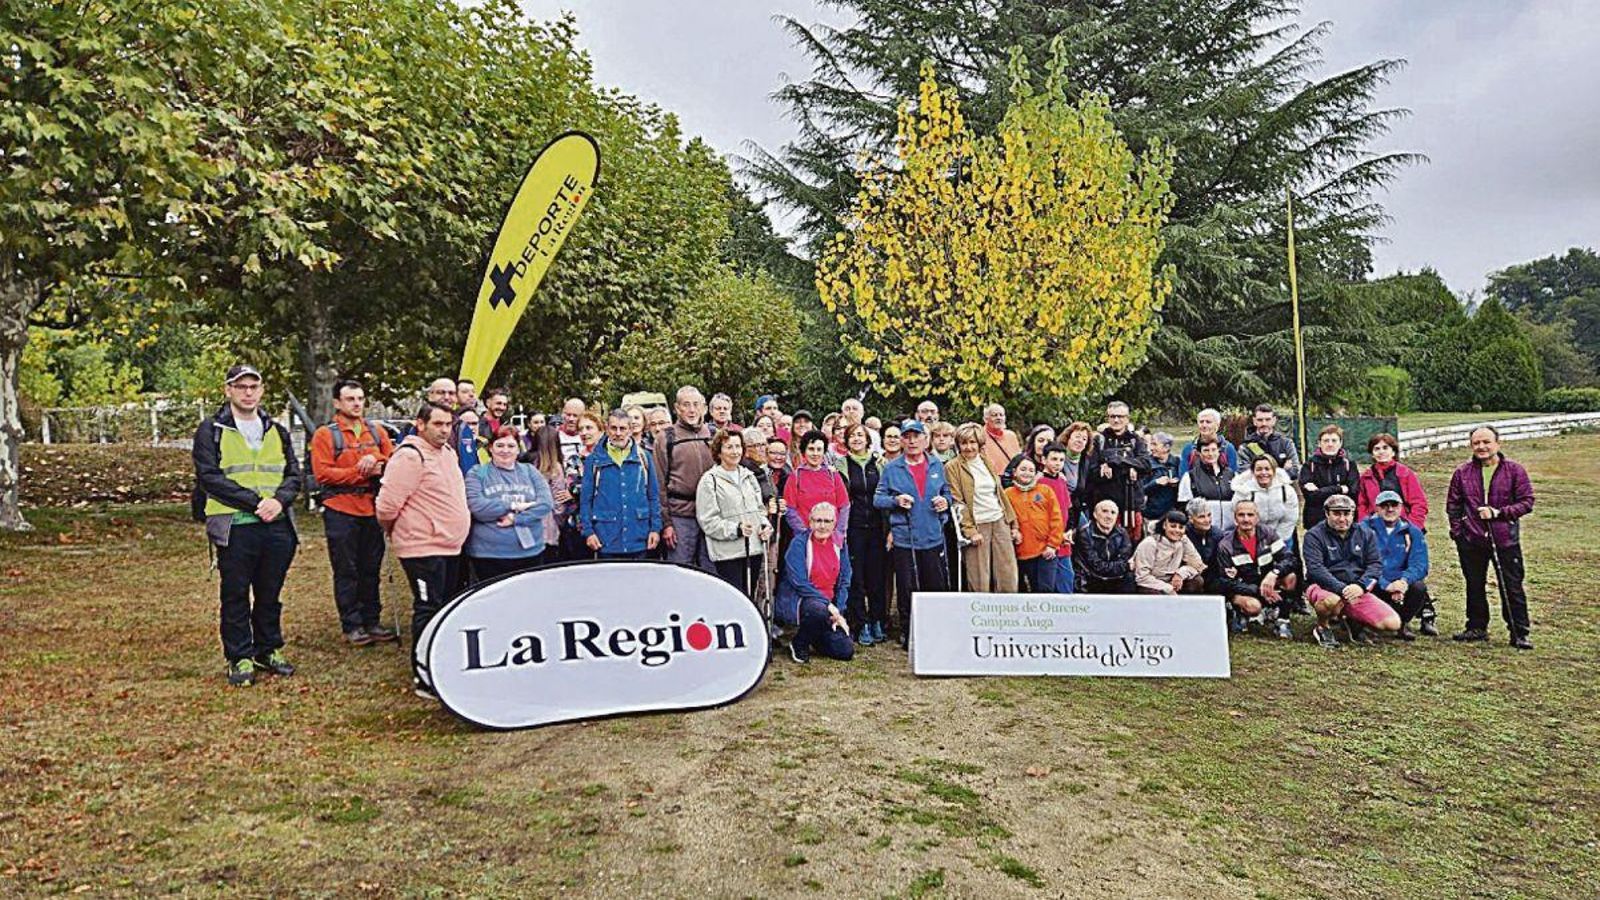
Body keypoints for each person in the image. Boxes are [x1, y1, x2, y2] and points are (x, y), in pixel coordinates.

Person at [193, 364, 303, 687]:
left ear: (261, 390)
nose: (248, 392)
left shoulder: (276, 430)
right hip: (234, 525)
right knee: (236, 592)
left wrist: (279, 501)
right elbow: (209, 477)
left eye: (253, 386)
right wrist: (255, 502)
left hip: (276, 524)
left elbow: (294, 475)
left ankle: (268, 648)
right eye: (240, 386)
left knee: (270, 592)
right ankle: (239, 655)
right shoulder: (211, 429)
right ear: (228, 390)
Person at [376, 401, 471, 693]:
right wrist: (404, 530)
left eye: (448, 425)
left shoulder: (448, 453)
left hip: (451, 545)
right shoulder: (410, 456)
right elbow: (387, 505)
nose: (444, 430)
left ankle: (442, 663)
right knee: (427, 608)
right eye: (438, 424)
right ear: (421, 423)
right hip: (422, 547)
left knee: (446, 607)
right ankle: (423, 673)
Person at [309, 378, 396, 646]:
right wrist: (360, 471)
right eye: (350, 399)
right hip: (341, 509)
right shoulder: (326, 434)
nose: (357, 404)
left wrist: (378, 460)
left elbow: (393, 461)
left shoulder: (376, 430)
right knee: (347, 569)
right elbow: (323, 473)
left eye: (360, 399)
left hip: (371, 509)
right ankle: (352, 624)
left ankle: (372, 620)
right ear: (337, 402)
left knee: (371, 567)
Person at [1446, 426, 1536, 649]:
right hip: (1472, 539)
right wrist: (1459, 532)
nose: (1481, 447)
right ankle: (1476, 626)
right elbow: (1453, 505)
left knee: (1511, 585)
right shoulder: (1462, 473)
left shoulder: (1514, 471)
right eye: (1476, 443)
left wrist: (1499, 513)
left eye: (1486, 442)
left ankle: (1519, 631)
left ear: (1497, 443)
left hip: (1504, 540)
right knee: (1474, 584)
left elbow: (1527, 502)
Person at [874, 419, 953, 646]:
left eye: (916, 436)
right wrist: (896, 500)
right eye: (907, 437)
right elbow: (878, 500)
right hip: (905, 538)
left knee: (936, 586)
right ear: (901, 440)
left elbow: (947, 493)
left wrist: (944, 502)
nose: (911, 441)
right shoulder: (891, 468)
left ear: (925, 440)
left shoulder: (937, 465)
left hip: (933, 535)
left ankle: (937, 632)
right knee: (907, 588)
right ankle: (909, 633)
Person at [1302, 493, 1393, 648]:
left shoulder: (1366, 534)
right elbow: (1315, 568)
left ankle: (1352, 621)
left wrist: (1361, 586)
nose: (1342, 519)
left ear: (1353, 514)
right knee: (1331, 602)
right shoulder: (1314, 535)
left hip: (1355, 587)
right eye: (1336, 513)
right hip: (1324, 587)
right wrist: (1341, 588)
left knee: (1391, 624)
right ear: (1326, 513)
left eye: (1347, 513)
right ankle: (1322, 627)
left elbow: (1375, 564)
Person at [465, 427, 554, 581]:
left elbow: (545, 504)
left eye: (511, 446)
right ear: (491, 448)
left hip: (530, 552)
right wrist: (513, 505)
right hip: (489, 555)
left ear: (518, 449)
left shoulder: (530, 471)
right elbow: (477, 507)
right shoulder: (478, 472)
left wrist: (515, 519)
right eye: (500, 445)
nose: (505, 450)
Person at [775, 503, 855, 664]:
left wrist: (837, 610)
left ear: (834, 524)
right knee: (818, 610)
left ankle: (815, 634)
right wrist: (828, 606)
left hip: (829, 607)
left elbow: (845, 580)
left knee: (845, 650)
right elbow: (799, 583)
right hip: (804, 601)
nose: (822, 526)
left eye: (827, 521)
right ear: (810, 522)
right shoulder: (798, 544)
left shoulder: (840, 545)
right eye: (818, 520)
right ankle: (799, 644)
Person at [580, 409, 663, 560]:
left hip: (639, 538)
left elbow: (653, 496)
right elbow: (586, 500)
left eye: (623, 428)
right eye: (613, 428)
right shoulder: (594, 461)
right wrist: (589, 532)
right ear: (606, 428)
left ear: (630, 430)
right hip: (606, 539)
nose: (618, 433)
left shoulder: (644, 457)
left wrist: (655, 529)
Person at [947, 423, 1020, 592]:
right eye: (964, 443)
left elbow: (999, 493)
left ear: (979, 443)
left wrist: (1013, 523)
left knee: (1007, 572)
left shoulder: (986, 460)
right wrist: (970, 531)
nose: (969, 447)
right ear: (958, 445)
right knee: (979, 577)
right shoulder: (952, 467)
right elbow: (957, 501)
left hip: (999, 519)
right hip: (977, 523)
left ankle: (1007, 613)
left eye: (972, 442)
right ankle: (980, 614)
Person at [697, 429, 770, 596]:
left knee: (749, 597)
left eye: (738, 446)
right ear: (719, 451)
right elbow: (707, 521)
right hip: (728, 553)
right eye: (729, 447)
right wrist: (735, 529)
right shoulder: (710, 480)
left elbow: (759, 511)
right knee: (733, 597)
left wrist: (765, 526)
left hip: (753, 548)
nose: (735, 451)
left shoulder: (749, 476)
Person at [654, 387, 717, 571]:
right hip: (680, 515)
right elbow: (659, 483)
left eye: (696, 404)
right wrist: (666, 523)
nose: (691, 410)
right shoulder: (666, 437)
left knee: (710, 570)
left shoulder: (713, 435)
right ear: (677, 408)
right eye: (686, 405)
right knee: (680, 570)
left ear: (704, 408)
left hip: (710, 514)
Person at [1215, 500, 1298, 638]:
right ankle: (1238, 612)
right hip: (1243, 588)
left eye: (1250, 515)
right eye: (1241, 515)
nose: (1246, 519)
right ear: (1235, 518)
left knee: (1290, 577)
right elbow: (1226, 583)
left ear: (1257, 517)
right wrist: (1259, 590)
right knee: (1253, 607)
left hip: (1266, 582)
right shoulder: (1226, 545)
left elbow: (1290, 559)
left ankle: (1283, 619)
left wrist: (1274, 573)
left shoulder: (1268, 534)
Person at [837, 422, 887, 643]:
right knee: (856, 576)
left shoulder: (880, 463)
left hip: (877, 526)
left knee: (877, 576)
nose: (856, 439)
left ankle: (878, 619)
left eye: (860, 435)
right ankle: (861, 622)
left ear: (867, 439)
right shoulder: (841, 465)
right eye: (852, 436)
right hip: (854, 527)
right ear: (846, 441)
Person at [1366, 490, 1434, 640]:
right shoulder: (1364, 529)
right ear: (1376, 508)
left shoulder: (1412, 532)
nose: (1390, 509)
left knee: (1418, 587)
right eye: (1384, 505)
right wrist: (1385, 584)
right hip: (1374, 582)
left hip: (1399, 585)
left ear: (1401, 507)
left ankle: (1402, 624)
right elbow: (1361, 564)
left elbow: (1420, 564)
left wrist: (1403, 581)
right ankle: (1366, 624)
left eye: (1394, 505)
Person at [1082, 401, 1152, 534]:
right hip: (1105, 505)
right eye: (1112, 416)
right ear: (1108, 418)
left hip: (1131, 504)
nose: (1116, 420)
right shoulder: (1099, 441)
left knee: (1132, 545)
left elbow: (1146, 465)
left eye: (1120, 416)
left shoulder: (1135, 440)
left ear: (1127, 419)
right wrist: (1129, 465)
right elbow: (1091, 472)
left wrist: (1114, 462)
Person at [1006, 459, 1065, 593]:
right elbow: (1005, 519)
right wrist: (1013, 531)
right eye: (1023, 469)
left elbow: (1056, 519)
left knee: (1045, 591)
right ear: (1014, 472)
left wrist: (1052, 545)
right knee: (1023, 591)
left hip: (1045, 552)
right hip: (1020, 553)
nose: (1027, 473)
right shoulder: (1008, 494)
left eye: (1031, 470)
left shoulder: (1045, 491)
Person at [784, 430, 850, 548]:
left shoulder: (833, 475)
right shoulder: (795, 477)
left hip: (831, 539)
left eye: (819, 449)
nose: (815, 453)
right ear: (804, 451)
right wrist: (804, 533)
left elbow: (844, 506)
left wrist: (839, 533)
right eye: (811, 449)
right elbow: (790, 510)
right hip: (805, 540)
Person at [1357, 433, 1429, 529]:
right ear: (1372, 454)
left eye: (1385, 448)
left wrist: (1412, 528)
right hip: (1375, 528)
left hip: (1403, 526)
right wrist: (1365, 527)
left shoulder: (1405, 474)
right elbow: (1362, 505)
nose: (1381, 452)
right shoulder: (1366, 477)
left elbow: (1419, 503)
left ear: (1393, 452)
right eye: (1377, 449)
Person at [522, 425, 569, 565]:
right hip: (548, 528)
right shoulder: (555, 468)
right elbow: (558, 502)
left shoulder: (525, 464)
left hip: (527, 526)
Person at [1231, 455, 1299, 548]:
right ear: (1252, 472)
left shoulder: (1287, 491)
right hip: (1252, 537)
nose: (1263, 473)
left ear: (1274, 471)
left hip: (1282, 536)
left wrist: (1276, 541)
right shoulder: (1243, 491)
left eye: (1267, 469)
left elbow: (1290, 519)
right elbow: (1237, 517)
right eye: (1259, 469)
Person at [1299, 424, 1359, 528]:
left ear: (1340, 443)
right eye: (1326, 441)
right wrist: (1340, 488)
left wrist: (1321, 491)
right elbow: (1311, 496)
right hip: (1315, 523)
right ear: (1319, 443)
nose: (1330, 444)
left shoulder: (1349, 465)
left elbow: (1353, 492)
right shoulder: (1309, 466)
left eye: (1334, 440)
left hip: (1344, 522)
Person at [1133, 510, 1206, 594]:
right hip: (1151, 583)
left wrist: (1180, 574)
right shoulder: (1150, 543)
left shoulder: (1184, 540)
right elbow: (1142, 577)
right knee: (1156, 594)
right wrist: (1168, 588)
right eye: (1173, 526)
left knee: (1197, 581)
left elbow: (1198, 566)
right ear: (1164, 525)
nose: (1177, 530)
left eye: (1181, 527)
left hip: (1173, 581)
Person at [1073, 498, 1135, 593]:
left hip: (1116, 578)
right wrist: (1125, 566)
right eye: (1104, 511)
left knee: (1130, 578)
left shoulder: (1123, 533)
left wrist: (1124, 566)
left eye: (1113, 513)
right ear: (1095, 515)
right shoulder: (1084, 533)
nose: (1109, 516)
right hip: (1092, 579)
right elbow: (1096, 566)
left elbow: (1123, 560)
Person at [1037, 443, 1076, 590]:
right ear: (1044, 460)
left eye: (1061, 460)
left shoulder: (1061, 481)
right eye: (1054, 459)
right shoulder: (1039, 483)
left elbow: (1069, 508)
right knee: (1049, 586)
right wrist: (1055, 538)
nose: (1058, 464)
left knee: (1067, 581)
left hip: (1064, 542)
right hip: (1048, 544)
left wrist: (1069, 530)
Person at [1177, 436, 1235, 526]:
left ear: (1219, 451)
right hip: (1203, 531)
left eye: (1213, 450)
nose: (1210, 454)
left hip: (1229, 531)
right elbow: (1183, 507)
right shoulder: (1190, 477)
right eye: (1206, 450)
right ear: (1199, 453)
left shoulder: (1232, 475)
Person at [1238, 404, 1301, 478]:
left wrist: (1259, 471)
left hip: (1282, 488)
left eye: (1268, 419)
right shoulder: (1245, 447)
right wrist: (1283, 470)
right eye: (1260, 420)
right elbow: (1244, 474)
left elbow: (1295, 472)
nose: (1264, 423)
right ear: (1254, 421)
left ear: (1274, 420)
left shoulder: (1286, 443)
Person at [1178, 408, 1239, 477]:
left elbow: (1234, 476)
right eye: (1201, 422)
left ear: (1217, 425)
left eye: (1208, 422)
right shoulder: (1189, 448)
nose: (1204, 425)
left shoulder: (1228, 448)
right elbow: (1183, 476)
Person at [1184, 499, 1225, 595]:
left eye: (1209, 515)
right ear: (1191, 518)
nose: (1207, 520)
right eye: (1201, 517)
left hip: (1211, 576)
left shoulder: (1217, 534)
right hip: (1190, 576)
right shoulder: (1183, 534)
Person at [1141, 431, 1180, 529]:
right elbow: (1140, 489)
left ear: (1166, 447)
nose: (1151, 448)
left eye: (1154, 444)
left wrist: (1177, 484)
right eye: (1151, 444)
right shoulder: (1146, 464)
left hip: (1172, 515)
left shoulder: (1177, 463)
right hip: (1151, 515)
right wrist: (1156, 483)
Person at [979, 403, 1022, 474]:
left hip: (1010, 478)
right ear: (986, 419)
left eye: (1001, 415)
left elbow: (1018, 459)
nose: (998, 418)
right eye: (994, 415)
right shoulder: (980, 436)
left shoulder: (1011, 436)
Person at [454, 408, 486, 475]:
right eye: (466, 424)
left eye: (474, 424)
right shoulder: (451, 448)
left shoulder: (486, 445)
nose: (471, 428)